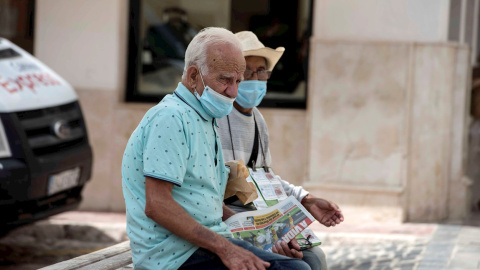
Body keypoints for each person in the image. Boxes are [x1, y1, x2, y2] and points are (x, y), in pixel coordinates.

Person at [121, 27, 311, 270]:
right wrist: (226, 248)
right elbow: (158, 205)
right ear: (192, 76)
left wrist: (268, 236)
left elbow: (207, 203)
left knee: (300, 261)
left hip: (206, 245)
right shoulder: (170, 117)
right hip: (174, 257)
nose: (233, 91)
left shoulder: (204, 117)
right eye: (225, 79)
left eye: (238, 81)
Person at [218, 31, 345, 270]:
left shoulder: (257, 120)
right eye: (248, 72)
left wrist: (306, 200)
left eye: (261, 72)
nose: (255, 79)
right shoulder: (216, 116)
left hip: (259, 216)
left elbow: (265, 178)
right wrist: (259, 233)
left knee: (314, 257)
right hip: (227, 221)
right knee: (299, 265)